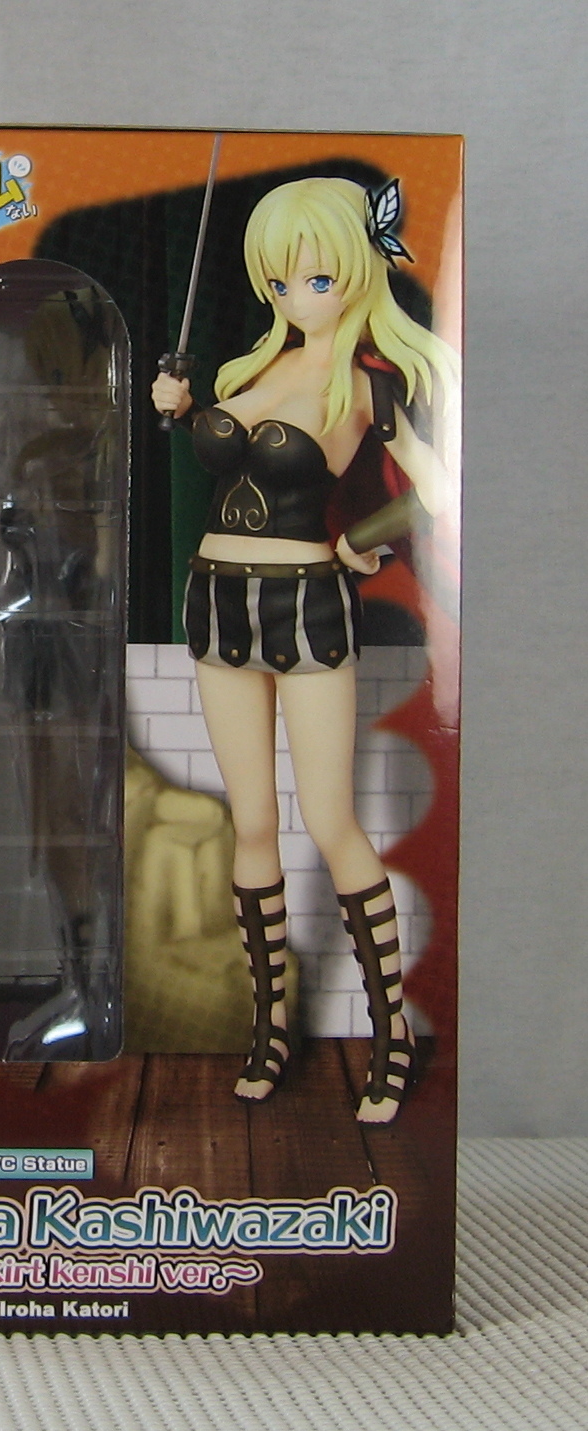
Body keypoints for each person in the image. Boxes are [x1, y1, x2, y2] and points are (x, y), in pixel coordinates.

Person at [151, 175, 457, 1123]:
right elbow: (223, 451)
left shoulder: (363, 384)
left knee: (329, 822)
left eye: (315, 279)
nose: (295, 296)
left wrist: (365, 539)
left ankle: (390, 1031)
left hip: (306, 607)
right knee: (249, 824)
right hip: (216, 601)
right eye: (280, 282)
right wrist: (179, 409)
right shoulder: (248, 373)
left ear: (356, 271)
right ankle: (269, 1025)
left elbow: (439, 492)